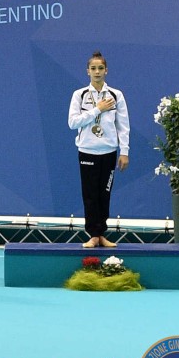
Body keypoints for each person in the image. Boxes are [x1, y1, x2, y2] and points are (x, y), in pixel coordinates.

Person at [67, 51, 130, 248]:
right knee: (90, 195)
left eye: (100, 68)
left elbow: (123, 125)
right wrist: (97, 109)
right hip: (87, 150)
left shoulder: (116, 95)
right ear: (87, 71)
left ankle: (101, 234)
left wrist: (124, 151)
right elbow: (72, 122)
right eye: (93, 68)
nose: (97, 72)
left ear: (106, 71)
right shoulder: (79, 95)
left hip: (109, 152)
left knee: (104, 195)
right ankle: (93, 235)